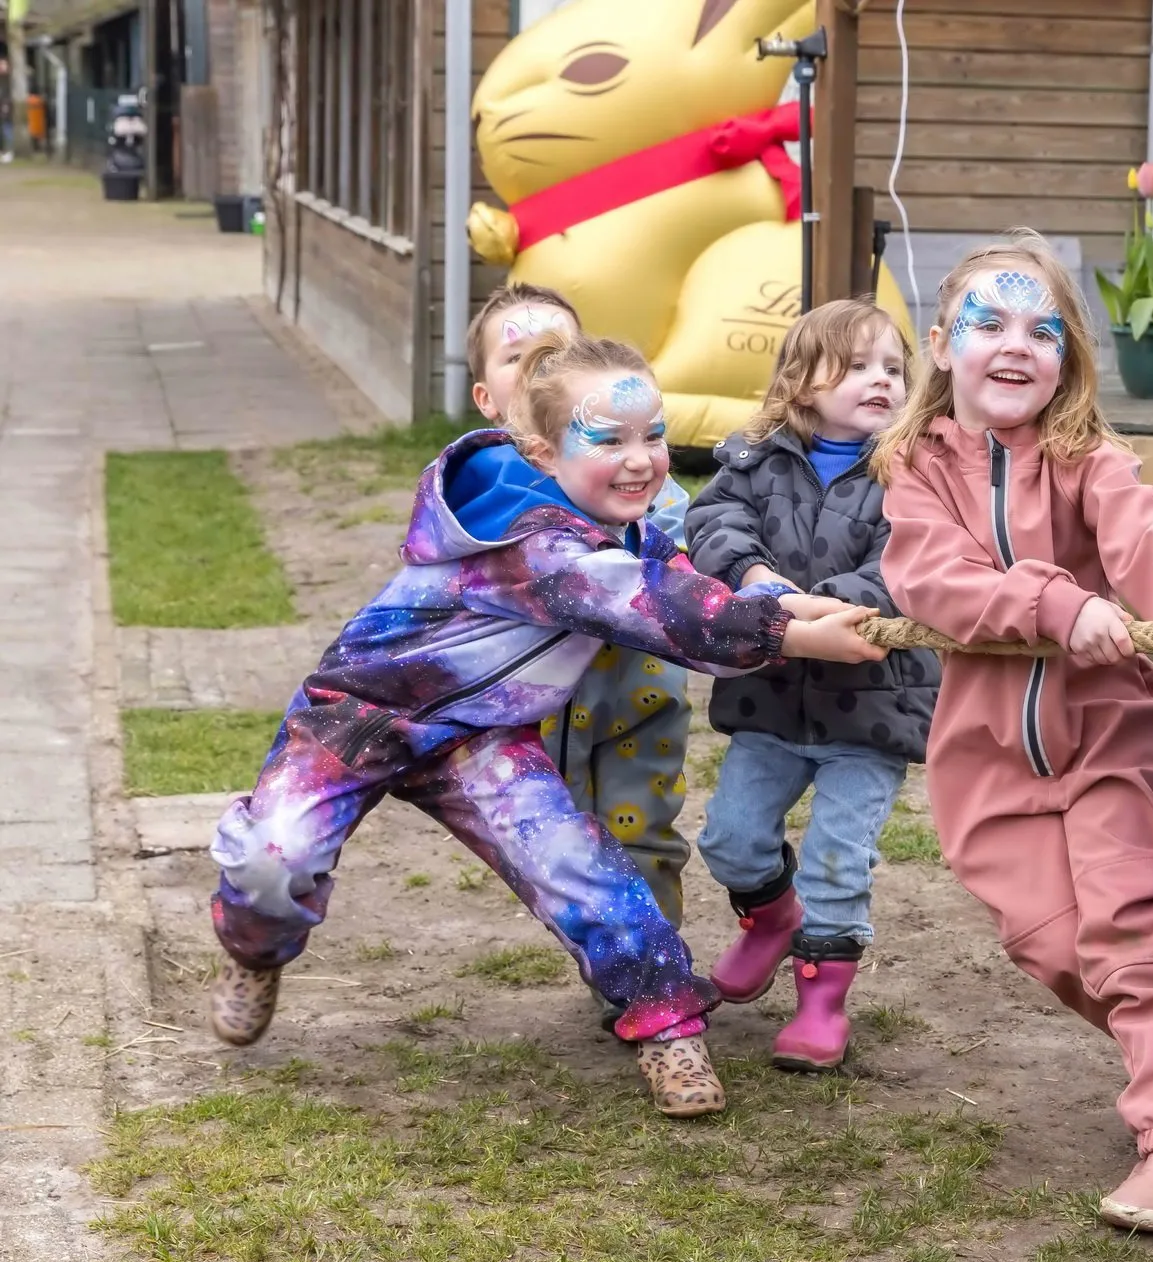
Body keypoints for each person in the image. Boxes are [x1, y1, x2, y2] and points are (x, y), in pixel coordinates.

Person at [204, 329, 887, 1119]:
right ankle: (254, 951)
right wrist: (796, 637)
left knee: (579, 866)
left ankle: (668, 1025)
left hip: (479, 739)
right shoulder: (532, 542)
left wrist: (789, 604)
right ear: (542, 451)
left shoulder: (618, 526)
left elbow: (681, 582)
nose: (641, 459)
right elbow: (661, 611)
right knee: (273, 858)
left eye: (655, 436)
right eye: (610, 440)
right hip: (359, 719)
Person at [874, 231, 1153, 1233]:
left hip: (1108, 733)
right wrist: (1052, 605)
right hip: (985, 757)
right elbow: (931, 580)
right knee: (1055, 946)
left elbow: (1146, 538)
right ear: (939, 344)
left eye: (1043, 329)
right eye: (990, 322)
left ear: (1067, 361)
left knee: (1127, 931)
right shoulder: (912, 473)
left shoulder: (1084, 460)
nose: (1017, 343)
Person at [685, 297, 937, 1071]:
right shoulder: (751, 460)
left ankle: (822, 1004)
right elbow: (710, 524)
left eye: (893, 368)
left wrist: (835, 604)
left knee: (837, 857)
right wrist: (756, 577)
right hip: (768, 695)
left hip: (870, 708)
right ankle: (768, 918)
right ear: (800, 383)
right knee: (730, 837)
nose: (881, 381)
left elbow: (913, 561)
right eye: (857, 366)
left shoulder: (913, 469)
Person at [466, 283, 698, 939]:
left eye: (562, 353)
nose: (544, 369)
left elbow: (677, 543)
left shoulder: (635, 473)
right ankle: (608, 954)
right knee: (560, 848)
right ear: (486, 396)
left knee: (644, 829)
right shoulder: (478, 492)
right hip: (530, 715)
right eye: (520, 358)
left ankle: (656, 978)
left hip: (638, 693)